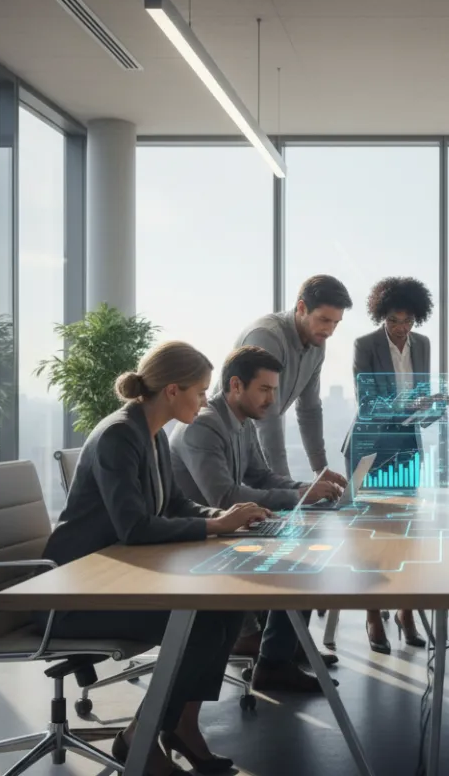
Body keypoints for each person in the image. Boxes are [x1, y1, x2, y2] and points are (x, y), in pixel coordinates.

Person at [39, 341, 272, 776]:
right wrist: (216, 527)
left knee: (225, 607)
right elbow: (135, 527)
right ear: (172, 390)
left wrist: (224, 517)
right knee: (201, 620)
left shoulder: (152, 432)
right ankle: (138, 740)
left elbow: (176, 504)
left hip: (112, 578)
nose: (205, 402)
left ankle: (181, 726)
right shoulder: (118, 435)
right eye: (200, 392)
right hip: (75, 596)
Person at [169, 345, 344, 693]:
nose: (271, 400)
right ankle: (274, 663)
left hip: (227, 530)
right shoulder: (204, 426)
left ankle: (285, 649)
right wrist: (297, 497)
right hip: (196, 540)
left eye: (274, 390)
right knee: (298, 561)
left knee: (306, 544)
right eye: (264, 389)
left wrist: (304, 488)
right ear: (236, 385)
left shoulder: (242, 422)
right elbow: (224, 498)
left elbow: (262, 476)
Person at [341, 277, 449, 653]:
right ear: (381, 316)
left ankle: (405, 611)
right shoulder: (365, 345)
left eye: (408, 321)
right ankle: (373, 615)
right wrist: (410, 405)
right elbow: (368, 403)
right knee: (369, 536)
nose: (401, 328)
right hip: (370, 446)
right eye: (393, 321)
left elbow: (420, 402)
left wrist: (433, 407)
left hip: (406, 445)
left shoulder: (423, 344)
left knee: (407, 534)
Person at [235, 274, 353, 483]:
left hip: (249, 449)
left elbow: (309, 409)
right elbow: (267, 418)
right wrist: (286, 485)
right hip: (222, 442)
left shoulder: (317, 342)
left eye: (336, 323)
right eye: (324, 320)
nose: (330, 331)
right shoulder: (267, 336)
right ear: (301, 308)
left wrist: (320, 469)